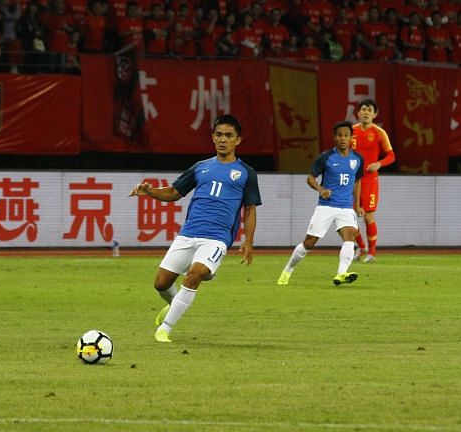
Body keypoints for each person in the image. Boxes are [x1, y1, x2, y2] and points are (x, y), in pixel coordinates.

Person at [129, 114, 261, 343]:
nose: (223, 140)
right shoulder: (201, 168)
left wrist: (248, 241)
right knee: (161, 283)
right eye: (219, 135)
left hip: (217, 238)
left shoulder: (246, 173)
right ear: (213, 137)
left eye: (229, 136)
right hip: (188, 234)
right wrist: (149, 191)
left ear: (238, 140)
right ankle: (174, 305)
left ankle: (165, 329)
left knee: (194, 275)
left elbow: (250, 209)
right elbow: (173, 192)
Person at [277, 121, 364, 286]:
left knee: (350, 236)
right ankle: (288, 269)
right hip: (326, 206)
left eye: (346, 135)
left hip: (346, 207)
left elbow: (357, 182)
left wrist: (357, 205)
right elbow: (310, 178)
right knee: (309, 243)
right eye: (340, 135)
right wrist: (320, 189)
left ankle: (341, 274)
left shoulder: (358, 159)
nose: (343, 138)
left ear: (352, 137)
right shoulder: (326, 157)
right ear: (334, 137)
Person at [351, 99, 395, 262]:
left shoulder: (379, 132)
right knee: (349, 215)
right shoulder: (351, 131)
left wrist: (379, 164)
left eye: (369, 110)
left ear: (375, 114)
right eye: (363, 109)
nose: (366, 112)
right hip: (351, 179)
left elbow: (391, 156)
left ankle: (372, 252)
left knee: (368, 216)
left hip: (369, 180)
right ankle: (361, 247)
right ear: (358, 113)